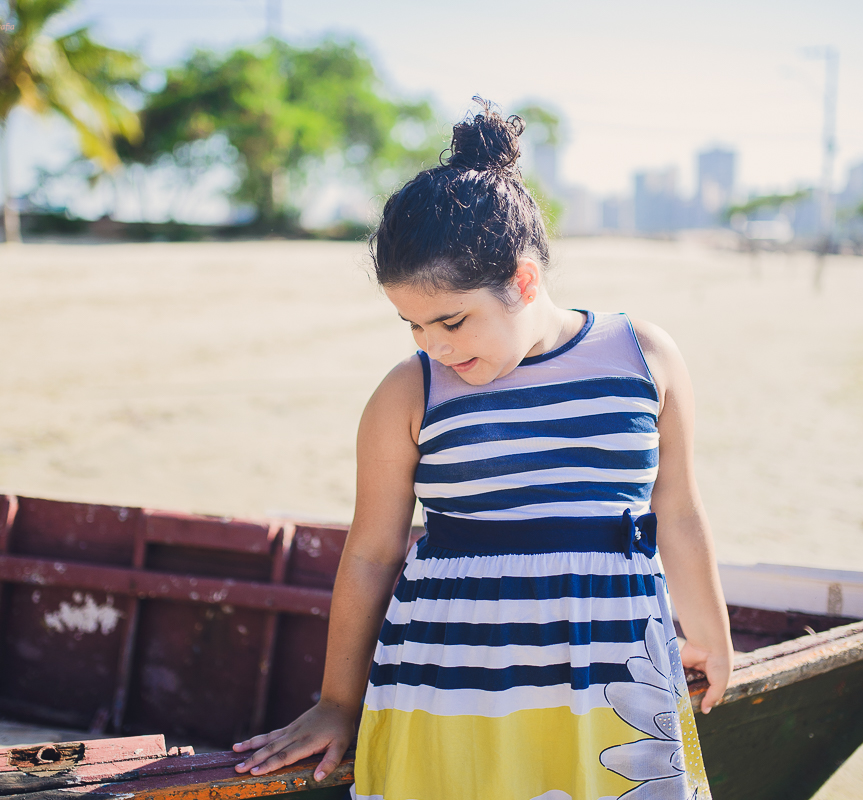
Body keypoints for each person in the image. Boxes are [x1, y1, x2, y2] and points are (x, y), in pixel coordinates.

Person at [233, 100, 733, 800]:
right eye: (411, 325)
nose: (434, 345)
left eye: (451, 320)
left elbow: (676, 510)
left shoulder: (645, 358)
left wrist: (712, 632)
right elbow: (373, 553)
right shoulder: (410, 394)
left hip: (612, 679)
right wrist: (338, 702)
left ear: (524, 280)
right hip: (450, 685)